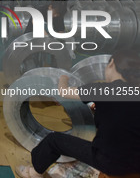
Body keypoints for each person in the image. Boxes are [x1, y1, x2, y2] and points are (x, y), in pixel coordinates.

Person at [15, 49, 140, 178]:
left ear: (111, 64)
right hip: (137, 163)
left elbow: (64, 92)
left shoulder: (102, 90)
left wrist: (63, 77)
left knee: (53, 140)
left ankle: (34, 173)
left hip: (109, 162)